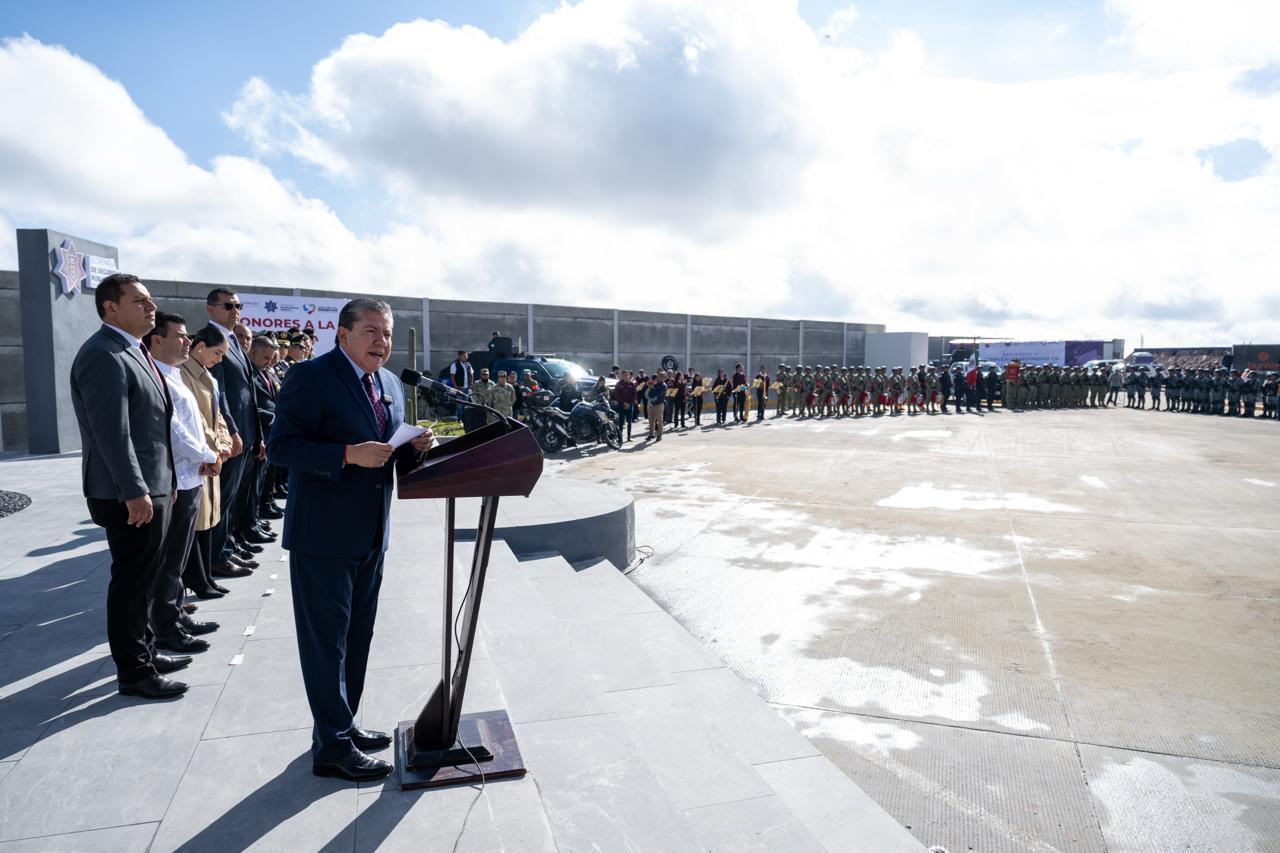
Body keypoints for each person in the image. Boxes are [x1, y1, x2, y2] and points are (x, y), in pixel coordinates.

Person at [268, 298, 435, 782]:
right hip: (323, 535)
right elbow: (281, 447)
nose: (382, 342)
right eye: (371, 331)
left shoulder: (388, 383)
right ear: (342, 335)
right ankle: (332, 748)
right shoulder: (310, 377)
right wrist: (345, 454)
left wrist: (415, 447)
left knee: (357, 637)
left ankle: (342, 725)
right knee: (326, 644)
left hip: (372, 533)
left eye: (387, 333)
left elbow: (387, 451)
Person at [70, 273, 188, 699]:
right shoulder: (103, 354)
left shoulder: (131, 350)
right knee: (132, 583)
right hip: (127, 493)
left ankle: (147, 651)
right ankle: (134, 671)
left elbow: (152, 428)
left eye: (149, 300)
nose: (151, 307)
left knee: (146, 578)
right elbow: (112, 433)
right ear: (110, 307)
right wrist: (135, 490)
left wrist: (166, 480)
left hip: (153, 485)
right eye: (139, 301)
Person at [144, 312, 221, 653]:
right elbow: (174, 430)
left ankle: (176, 614)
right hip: (177, 477)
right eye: (180, 335)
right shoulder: (157, 377)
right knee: (169, 560)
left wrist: (205, 454)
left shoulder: (174, 374)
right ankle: (166, 628)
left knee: (179, 555)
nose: (188, 341)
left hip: (191, 475)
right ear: (157, 339)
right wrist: (206, 454)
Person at [203, 289, 263, 581]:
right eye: (228, 305)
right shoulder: (210, 339)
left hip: (247, 432)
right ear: (211, 309)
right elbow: (219, 394)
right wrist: (232, 432)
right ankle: (216, 558)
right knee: (223, 498)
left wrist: (257, 435)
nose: (235, 310)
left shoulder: (233, 340)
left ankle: (225, 548)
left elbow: (248, 393)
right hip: (231, 435)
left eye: (238, 305)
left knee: (232, 497)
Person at [180, 325, 233, 601]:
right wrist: (214, 449)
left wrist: (224, 442)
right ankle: (198, 580)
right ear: (200, 347)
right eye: (217, 353)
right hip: (199, 458)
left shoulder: (207, 375)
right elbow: (196, 420)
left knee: (210, 519)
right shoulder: (184, 373)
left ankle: (206, 577)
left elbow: (217, 415)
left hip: (213, 456)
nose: (219, 359)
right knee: (197, 522)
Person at [611, 370, 636, 440]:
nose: (625, 376)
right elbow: (617, 395)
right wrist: (624, 403)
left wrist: (629, 403)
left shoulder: (632, 384)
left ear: (628, 375)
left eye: (627, 375)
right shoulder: (619, 384)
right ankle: (620, 437)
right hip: (621, 405)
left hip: (630, 405)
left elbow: (634, 395)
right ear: (622, 376)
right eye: (624, 375)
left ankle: (629, 437)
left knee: (629, 422)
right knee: (621, 422)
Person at [646, 371, 667, 441]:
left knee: (659, 421)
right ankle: (651, 434)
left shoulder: (663, 385)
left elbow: (658, 394)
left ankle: (659, 435)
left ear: (662, 378)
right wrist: (650, 388)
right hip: (653, 404)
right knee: (651, 420)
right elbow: (650, 394)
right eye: (657, 377)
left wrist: (652, 388)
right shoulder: (655, 384)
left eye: (659, 377)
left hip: (659, 404)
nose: (657, 378)